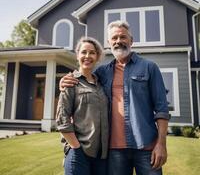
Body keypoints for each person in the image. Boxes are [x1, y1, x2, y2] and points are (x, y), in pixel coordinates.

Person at [60, 20, 170, 175]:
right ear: (109, 43)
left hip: (146, 147)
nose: (118, 41)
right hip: (114, 151)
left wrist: (161, 144)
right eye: (114, 38)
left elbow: (162, 109)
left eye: (123, 37)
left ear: (131, 41)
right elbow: (83, 81)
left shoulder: (149, 67)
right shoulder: (102, 73)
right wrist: (64, 81)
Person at [56, 36, 109, 175]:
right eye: (84, 52)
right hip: (79, 153)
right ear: (77, 55)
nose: (87, 56)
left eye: (92, 52)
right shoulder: (70, 82)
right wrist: (76, 148)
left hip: (101, 156)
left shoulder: (101, 84)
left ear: (97, 57)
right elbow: (62, 119)